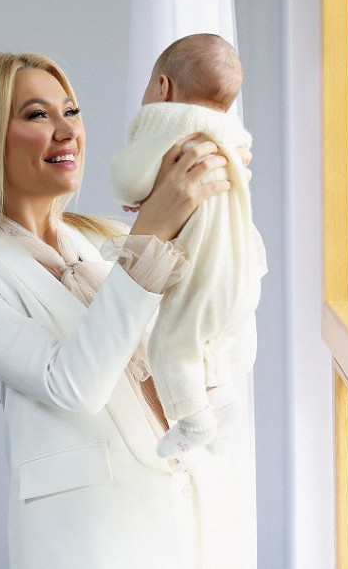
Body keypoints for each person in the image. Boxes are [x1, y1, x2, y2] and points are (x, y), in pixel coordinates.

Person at [0, 52, 256, 569]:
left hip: (194, 516)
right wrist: (151, 234)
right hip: (90, 542)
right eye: (37, 115)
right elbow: (73, 386)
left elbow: (215, 329)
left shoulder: (113, 239)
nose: (67, 132)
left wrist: (218, 209)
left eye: (71, 111)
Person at [111, 34, 267, 458]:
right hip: (243, 269)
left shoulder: (166, 121)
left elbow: (130, 179)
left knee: (170, 347)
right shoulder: (230, 135)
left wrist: (137, 187)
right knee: (208, 346)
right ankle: (225, 409)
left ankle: (193, 423)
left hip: (204, 273)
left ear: (163, 86)